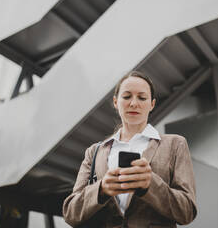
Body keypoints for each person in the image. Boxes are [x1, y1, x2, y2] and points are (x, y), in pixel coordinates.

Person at [63, 71, 197, 227]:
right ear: (115, 102)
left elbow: (187, 212)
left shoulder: (175, 144)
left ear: (152, 104)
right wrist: (101, 189)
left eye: (142, 97)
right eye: (126, 97)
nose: (134, 103)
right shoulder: (94, 152)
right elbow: (70, 213)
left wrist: (150, 185)